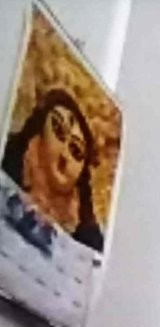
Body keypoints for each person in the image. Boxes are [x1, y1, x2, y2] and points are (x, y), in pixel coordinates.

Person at [2, 89, 104, 252]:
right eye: (58, 130)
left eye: (75, 150)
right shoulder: (6, 165)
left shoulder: (86, 238)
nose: (64, 154)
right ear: (39, 131)